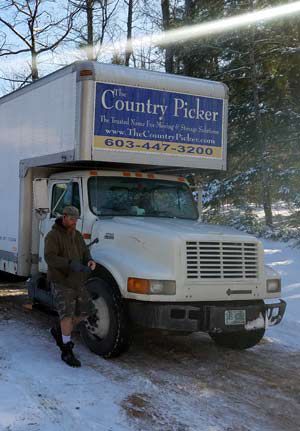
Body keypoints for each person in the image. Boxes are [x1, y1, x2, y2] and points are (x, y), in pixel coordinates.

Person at [44, 206, 96, 367]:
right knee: (66, 315)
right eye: (72, 219)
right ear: (64, 217)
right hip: (61, 281)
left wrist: (89, 260)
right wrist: (69, 263)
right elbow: (49, 257)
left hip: (77, 281)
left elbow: (85, 252)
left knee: (87, 311)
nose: (74, 222)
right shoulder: (53, 236)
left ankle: (60, 332)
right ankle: (66, 349)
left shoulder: (77, 235)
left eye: (76, 219)